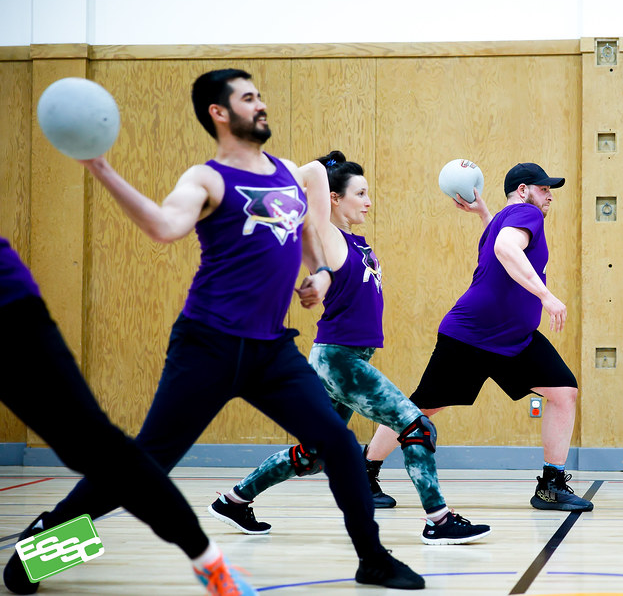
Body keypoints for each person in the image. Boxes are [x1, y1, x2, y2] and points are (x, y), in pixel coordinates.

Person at [3, 69, 423, 592]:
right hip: (208, 344)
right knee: (147, 462)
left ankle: (373, 559)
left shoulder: (288, 172)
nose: (261, 104)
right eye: (248, 98)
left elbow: (309, 237)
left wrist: (316, 276)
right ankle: (41, 548)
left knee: (336, 442)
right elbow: (162, 226)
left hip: (271, 349)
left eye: (260, 95)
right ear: (219, 114)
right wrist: (102, 169)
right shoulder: (206, 179)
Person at [207, 150, 491, 546]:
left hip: (344, 357)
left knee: (315, 452)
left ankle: (234, 500)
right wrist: (321, 172)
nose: (369, 201)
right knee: (416, 426)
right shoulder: (327, 233)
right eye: (360, 193)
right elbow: (309, 173)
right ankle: (438, 520)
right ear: (334, 199)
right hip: (339, 360)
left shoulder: (355, 243)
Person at [0, 237, 256, 596]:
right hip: (204, 344)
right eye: (359, 193)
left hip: (9, 306)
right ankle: (43, 545)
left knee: (107, 454)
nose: (367, 203)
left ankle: (208, 562)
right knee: (138, 455)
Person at [363, 162, 594, 513]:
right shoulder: (527, 215)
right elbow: (505, 249)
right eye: (543, 188)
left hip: (514, 339)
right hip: (472, 337)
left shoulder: (502, 218)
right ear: (522, 191)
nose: (549, 195)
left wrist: (483, 211)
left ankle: (550, 485)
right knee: (423, 406)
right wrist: (546, 296)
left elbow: (497, 242)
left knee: (563, 391)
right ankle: (363, 472)